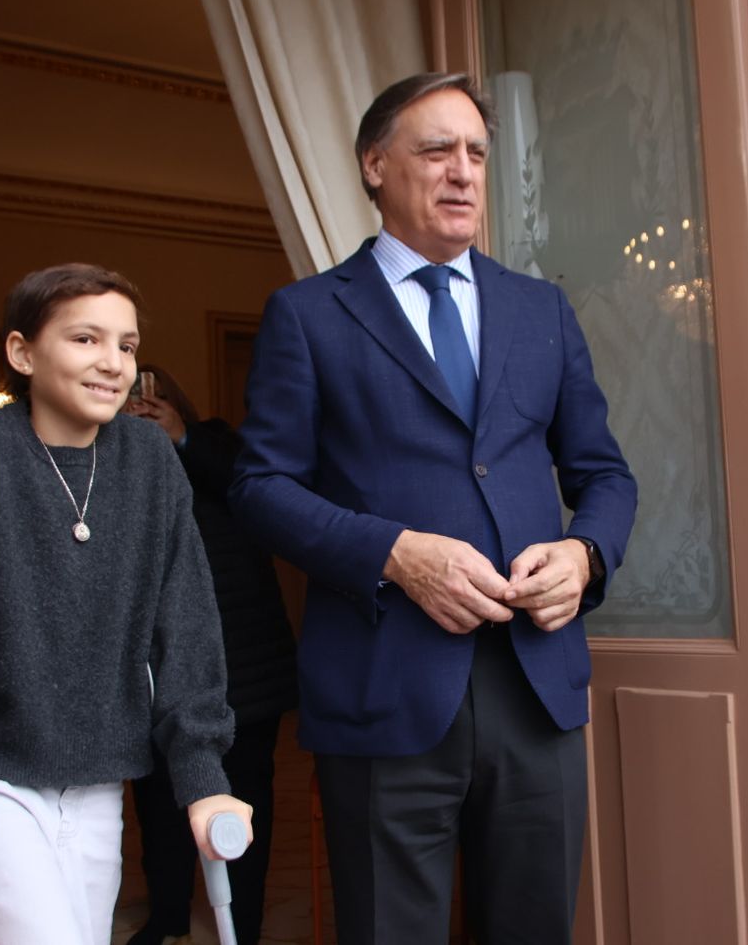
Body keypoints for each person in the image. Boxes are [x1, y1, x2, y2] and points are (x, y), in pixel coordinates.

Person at [229, 73, 638, 944]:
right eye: (436, 150)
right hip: (384, 693)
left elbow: (606, 475)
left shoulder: (543, 310)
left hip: (537, 690)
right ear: (375, 165)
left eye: (478, 154)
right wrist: (394, 553)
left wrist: (584, 556)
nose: (463, 172)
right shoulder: (308, 316)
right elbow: (258, 489)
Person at [0, 263, 252, 944]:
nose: (112, 362)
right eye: (86, 339)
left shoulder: (149, 458)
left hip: (99, 781)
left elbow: (187, 628)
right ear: (23, 352)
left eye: (127, 344)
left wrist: (203, 773)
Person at [125, 366, 297, 945]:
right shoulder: (113, 465)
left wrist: (182, 437)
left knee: (247, 801)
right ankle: (168, 914)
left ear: (175, 401)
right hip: (155, 668)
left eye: (149, 398)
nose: (138, 408)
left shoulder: (219, 444)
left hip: (246, 666)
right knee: (157, 802)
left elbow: (255, 491)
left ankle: (242, 926)